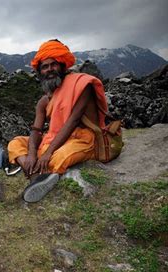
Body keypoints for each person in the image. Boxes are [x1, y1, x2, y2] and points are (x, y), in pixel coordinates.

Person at [8, 39, 109, 203]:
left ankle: (35, 177)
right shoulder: (44, 101)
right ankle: (37, 175)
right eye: (45, 67)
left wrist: (47, 154)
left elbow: (74, 120)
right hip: (53, 139)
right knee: (15, 143)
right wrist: (33, 155)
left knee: (59, 156)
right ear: (40, 72)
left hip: (82, 140)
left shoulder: (81, 85)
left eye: (53, 64)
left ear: (62, 65)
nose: (49, 70)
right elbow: (36, 131)